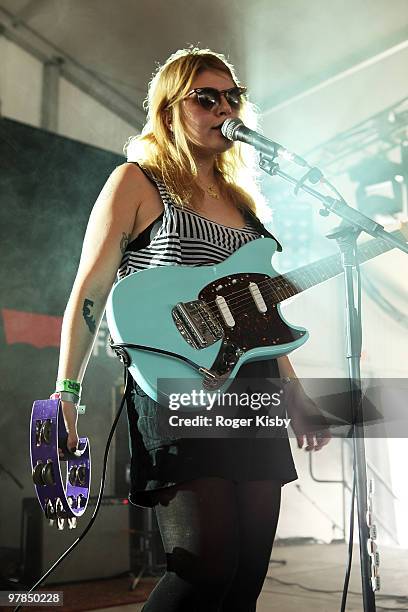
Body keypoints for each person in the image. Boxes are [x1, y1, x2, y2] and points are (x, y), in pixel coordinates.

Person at [55, 48, 331, 612]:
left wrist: (296, 394)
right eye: (206, 97)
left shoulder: (244, 205)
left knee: (247, 574)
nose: (223, 107)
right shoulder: (137, 181)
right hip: (177, 381)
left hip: (253, 387)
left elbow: (260, 322)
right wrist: (67, 390)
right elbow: (90, 289)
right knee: (204, 566)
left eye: (233, 97)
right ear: (169, 110)